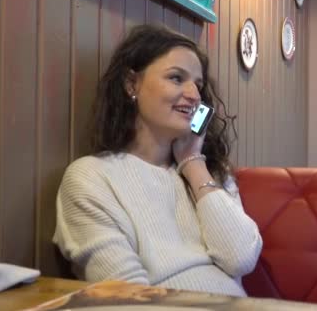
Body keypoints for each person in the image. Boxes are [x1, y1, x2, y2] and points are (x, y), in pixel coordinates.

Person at [53, 24, 263, 297]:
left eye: (198, 85)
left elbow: (242, 258)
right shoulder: (91, 178)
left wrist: (193, 163)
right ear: (132, 84)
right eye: (176, 78)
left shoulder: (209, 172)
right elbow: (130, 299)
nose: (194, 95)